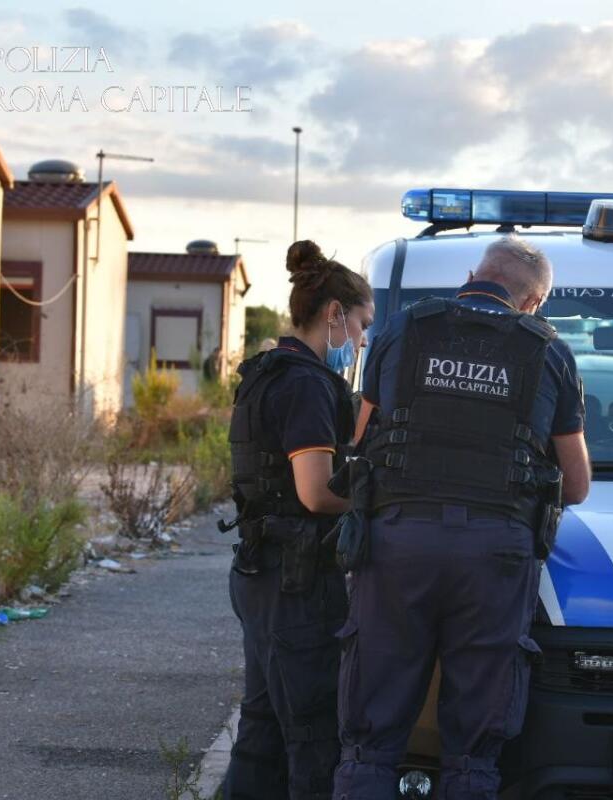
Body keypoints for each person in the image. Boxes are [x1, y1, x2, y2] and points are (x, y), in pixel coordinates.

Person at [333, 236, 591, 800]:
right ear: (533, 302)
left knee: (371, 737)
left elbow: (361, 442)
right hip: (495, 557)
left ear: (474, 273)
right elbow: (576, 485)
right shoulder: (547, 350)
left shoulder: (403, 329)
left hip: (397, 543)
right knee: (474, 748)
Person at [221, 240, 374, 800]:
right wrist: (374, 498)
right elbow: (314, 493)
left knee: (261, 732)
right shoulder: (307, 384)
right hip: (297, 586)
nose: (361, 339)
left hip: (262, 571)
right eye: (361, 324)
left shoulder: (268, 369)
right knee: (312, 737)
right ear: (334, 314)